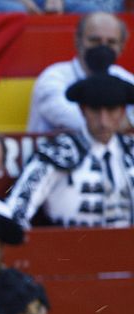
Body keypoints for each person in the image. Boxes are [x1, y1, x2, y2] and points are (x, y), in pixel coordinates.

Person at [8, 73, 134, 228]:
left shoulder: (131, 150)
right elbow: (16, 211)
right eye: (95, 110)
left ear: (122, 111)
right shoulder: (57, 151)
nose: (103, 121)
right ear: (82, 110)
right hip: (65, 248)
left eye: (111, 110)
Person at [28, 13, 134, 136]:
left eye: (111, 42)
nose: (103, 48)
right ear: (78, 41)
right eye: (95, 40)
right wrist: (125, 121)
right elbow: (80, 122)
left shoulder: (123, 76)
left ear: (121, 47)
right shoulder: (53, 77)